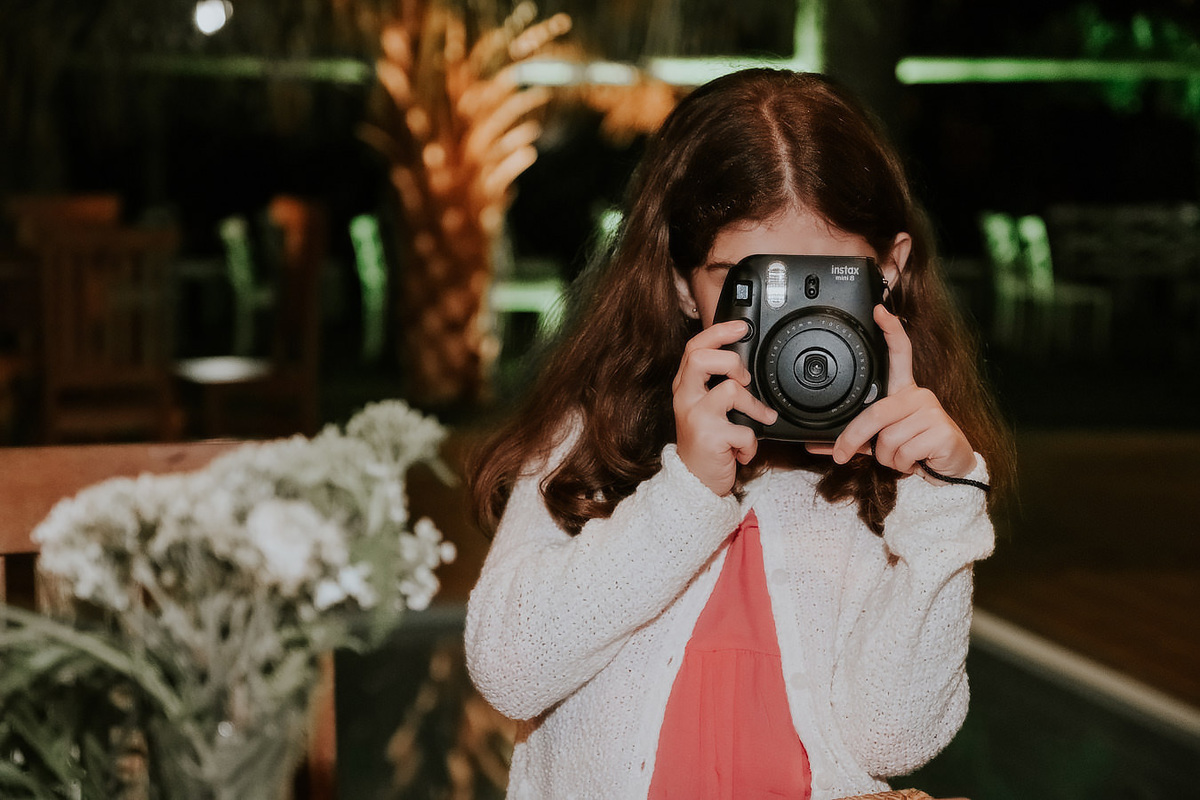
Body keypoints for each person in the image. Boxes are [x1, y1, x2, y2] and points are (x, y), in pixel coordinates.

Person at [464, 68, 1015, 800]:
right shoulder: (591, 441)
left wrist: (942, 511)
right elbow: (510, 671)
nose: (790, 325)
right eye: (750, 279)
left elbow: (895, 736)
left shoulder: (896, 475)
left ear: (889, 268)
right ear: (680, 281)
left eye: (825, 278)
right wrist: (685, 491)